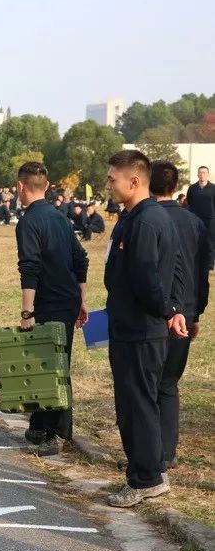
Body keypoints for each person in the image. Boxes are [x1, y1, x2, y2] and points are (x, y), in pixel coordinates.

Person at [104, 149, 187, 508]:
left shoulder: (148, 221)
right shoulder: (132, 217)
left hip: (140, 330)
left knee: (137, 406)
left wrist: (169, 310)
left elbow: (148, 279)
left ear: (134, 181)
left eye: (112, 179)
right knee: (137, 404)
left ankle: (145, 479)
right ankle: (149, 469)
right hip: (129, 326)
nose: (107, 184)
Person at [14, 162, 89, 456]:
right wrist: (81, 299)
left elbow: (29, 267)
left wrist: (27, 311)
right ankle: (44, 427)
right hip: (68, 300)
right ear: (45, 186)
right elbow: (80, 258)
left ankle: (47, 434)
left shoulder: (28, 223)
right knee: (59, 364)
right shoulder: (59, 217)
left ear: (21, 187)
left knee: (46, 368)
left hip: (48, 303)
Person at [149, 160, 211, 470]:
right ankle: (167, 452)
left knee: (148, 383)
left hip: (154, 311)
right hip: (186, 308)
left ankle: (149, 451)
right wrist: (197, 311)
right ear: (176, 187)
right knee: (169, 383)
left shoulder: (146, 219)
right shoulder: (194, 223)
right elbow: (202, 271)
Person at [186, 165, 214, 266]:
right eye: (200, 172)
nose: (202, 175)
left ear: (208, 175)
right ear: (197, 174)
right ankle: (195, 262)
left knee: (210, 242)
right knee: (194, 241)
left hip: (210, 220)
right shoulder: (192, 188)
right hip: (195, 219)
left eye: (204, 173)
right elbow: (188, 202)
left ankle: (210, 264)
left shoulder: (213, 188)